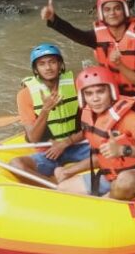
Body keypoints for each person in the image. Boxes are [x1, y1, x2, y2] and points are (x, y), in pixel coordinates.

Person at [53, 66, 135, 199]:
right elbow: (100, 157)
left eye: (100, 92)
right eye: (89, 94)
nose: (95, 99)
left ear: (111, 91)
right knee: (63, 188)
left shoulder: (129, 117)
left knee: (125, 180)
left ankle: (104, 204)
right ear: (82, 97)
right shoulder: (90, 116)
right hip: (112, 176)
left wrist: (123, 150)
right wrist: (69, 171)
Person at [41, 0, 135, 100]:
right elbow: (75, 34)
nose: (112, 13)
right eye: (107, 10)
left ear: (125, 11)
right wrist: (53, 19)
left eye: (117, 8)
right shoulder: (96, 36)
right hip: (115, 94)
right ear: (101, 14)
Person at [10, 43, 91, 180]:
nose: (48, 68)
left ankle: (67, 174)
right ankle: (54, 186)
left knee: (114, 151)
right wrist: (45, 110)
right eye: (42, 64)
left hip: (79, 144)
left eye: (52, 62)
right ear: (35, 69)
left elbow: (93, 125)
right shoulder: (25, 94)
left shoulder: (77, 84)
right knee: (16, 165)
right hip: (48, 151)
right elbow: (33, 138)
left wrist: (65, 142)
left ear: (60, 65)